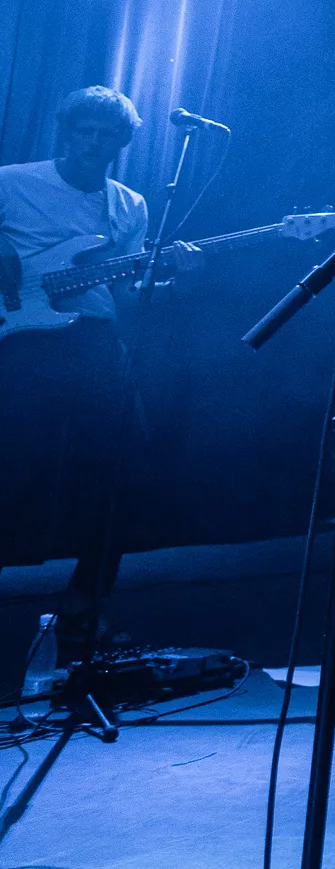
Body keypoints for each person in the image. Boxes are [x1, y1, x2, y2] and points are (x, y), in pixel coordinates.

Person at [0, 86, 199, 666]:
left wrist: (176, 278)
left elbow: (128, 294)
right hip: (22, 340)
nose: (93, 141)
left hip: (92, 341)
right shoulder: (12, 181)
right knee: (11, 473)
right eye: (84, 130)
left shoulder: (128, 205)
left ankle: (84, 608)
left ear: (121, 143)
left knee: (123, 474)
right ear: (67, 132)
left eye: (106, 134)